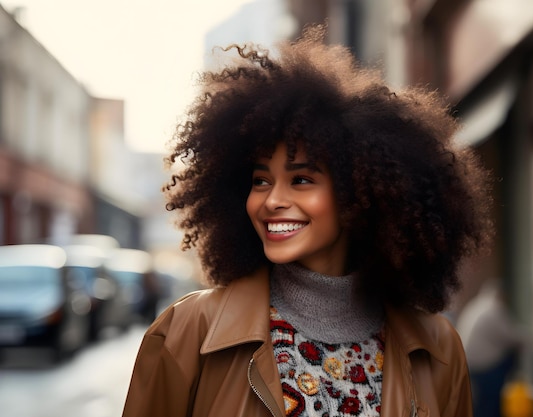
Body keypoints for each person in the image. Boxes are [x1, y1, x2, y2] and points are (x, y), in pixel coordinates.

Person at [122, 24, 494, 417]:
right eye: (260, 180)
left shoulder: (438, 349)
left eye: (301, 180)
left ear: (361, 193)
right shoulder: (188, 332)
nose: (272, 200)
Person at [455, 278, 529, 417]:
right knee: (490, 402)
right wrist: (530, 338)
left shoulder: (475, 306)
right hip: (485, 366)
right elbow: (510, 336)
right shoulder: (493, 309)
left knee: (482, 402)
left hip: (470, 364)